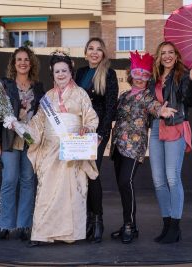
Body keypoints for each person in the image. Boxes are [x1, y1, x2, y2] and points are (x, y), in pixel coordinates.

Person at [26, 52, 99, 246]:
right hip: (50, 149)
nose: (60, 74)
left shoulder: (80, 94)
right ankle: (42, 233)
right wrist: (22, 128)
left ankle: (71, 234)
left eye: (64, 70)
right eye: (57, 71)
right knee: (46, 190)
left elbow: (91, 117)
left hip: (72, 148)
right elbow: (39, 123)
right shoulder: (47, 97)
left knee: (72, 190)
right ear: (52, 73)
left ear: (71, 72)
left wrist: (88, 128)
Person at [110, 51, 176, 244]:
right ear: (131, 75)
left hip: (134, 147)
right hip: (117, 146)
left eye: (145, 75)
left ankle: (130, 226)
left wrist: (161, 110)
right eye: (137, 74)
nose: (140, 79)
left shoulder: (147, 97)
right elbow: (113, 114)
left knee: (125, 182)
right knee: (122, 187)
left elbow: (154, 106)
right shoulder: (123, 95)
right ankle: (129, 224)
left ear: (148, 78)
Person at [148, 41, 192, 244]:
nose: (167, 56)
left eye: (171, 52)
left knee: (172, 178)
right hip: (155, 128)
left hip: (174, 126)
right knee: (158, 181)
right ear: (159, 57)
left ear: (177, 56)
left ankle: (175, 227)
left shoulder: (183, 75)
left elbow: (189, 101)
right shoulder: (155, 78)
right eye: (163, 53)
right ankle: (167, 224)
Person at [0, 46, 45, 241]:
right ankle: (4, 224)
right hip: (9, 141)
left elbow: (43, 116)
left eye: (26, 60)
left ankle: (24, 225)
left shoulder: (38, 87)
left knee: (28, 182)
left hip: (31, 142)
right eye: (19, 59)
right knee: (9, 180)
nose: (23, 63)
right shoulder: (5, 85)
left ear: (31, 64)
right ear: (14, 64)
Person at [75, 37, 119, 243]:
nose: (94, 52)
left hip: (97, 133)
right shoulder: (80, 72)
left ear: (103, 54)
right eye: (90, 48)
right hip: (79, 130)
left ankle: (98, 221)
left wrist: (102, 133)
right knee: (81, 175)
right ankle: (86, 222)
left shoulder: (109, 74)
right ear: (85, 52)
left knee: (92, 173)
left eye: (98, 49)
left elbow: (111, 107)